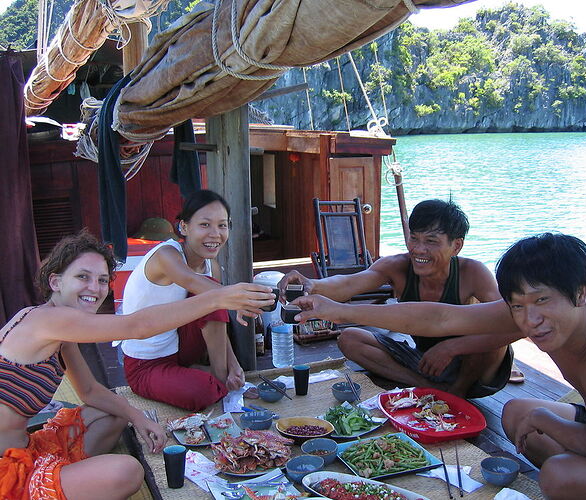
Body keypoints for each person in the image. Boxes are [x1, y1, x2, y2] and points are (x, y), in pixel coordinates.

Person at [294, 233, 586, 500]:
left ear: (581, 292)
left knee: (559, 475)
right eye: (518, 306)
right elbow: (441, 319)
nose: (530, 320)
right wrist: (340, 310)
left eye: (542, 301)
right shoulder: (542, 316)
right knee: (516, 413)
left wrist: (544, 417)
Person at [0, 231, 272, 500]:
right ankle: (61, 483)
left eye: (103, 280)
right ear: (56, 282)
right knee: (128, 472)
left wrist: (137, 416)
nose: (94, 288)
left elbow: (90, 392)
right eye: (83, 277)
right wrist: (219, 297)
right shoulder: (47, 321)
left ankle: (72, 479)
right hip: (7, 472)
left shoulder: (58, 328)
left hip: (25, 446)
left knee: (116, 412)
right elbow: (136, 326)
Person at [279, 199, 521, 398]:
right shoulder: (397, 266)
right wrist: (313, 285)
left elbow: (514, 323)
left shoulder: (474, 273)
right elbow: (349, 283)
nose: (418, 249)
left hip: (472, 370)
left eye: (431, 242)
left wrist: (453, 346)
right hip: (425, 362)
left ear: (456, 246)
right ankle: (431, 389)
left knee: (493, 339)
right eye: (414, 238)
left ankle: (457, 392)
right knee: (350, 338)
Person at [117, 190, 253, 411]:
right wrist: (240, 300)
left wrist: (233, 363)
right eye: (205, 225)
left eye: (222, 225)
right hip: (146, 365)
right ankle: (217, 382)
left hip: (179, 348)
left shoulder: (212, 267)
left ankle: (219, 376)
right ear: (184, 227)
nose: (215, 234)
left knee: (213, 294)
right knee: (200, 393)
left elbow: (217, 304)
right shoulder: (166, 256)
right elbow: (193, 282)